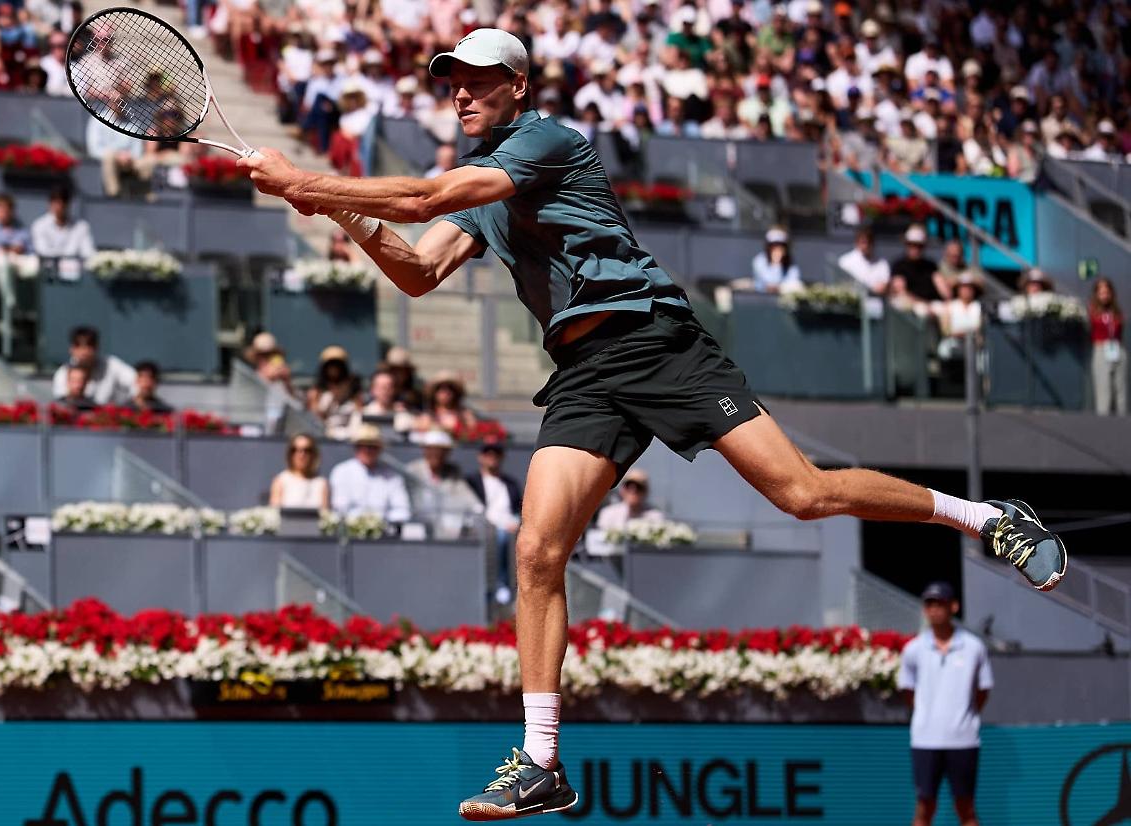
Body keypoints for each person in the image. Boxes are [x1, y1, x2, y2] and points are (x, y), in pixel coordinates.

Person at [238, 28, 1066, 819]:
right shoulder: (486, 186)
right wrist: (342, 214)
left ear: (517, 87)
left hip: (656, 340)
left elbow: (424, 196)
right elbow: (419, 269)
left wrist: (306, 182)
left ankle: (987, 517)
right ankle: (542, 763)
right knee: (535, 549)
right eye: (449, 79)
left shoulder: (544, 141)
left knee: (803, 495)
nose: (457, 90)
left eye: (474, 77)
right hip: (586, 372)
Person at [897, 582, 993, 826]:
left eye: (939, 604)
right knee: (924, 807)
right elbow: (907, 690)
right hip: (925, 740)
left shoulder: (974, 648)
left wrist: (963, 718)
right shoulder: (913, 649)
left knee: (966, 808)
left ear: (953, 606)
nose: (934, 610)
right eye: (929, 604)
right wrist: (927, 716)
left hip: (963, 740)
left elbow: (983, 690)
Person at [467, 438, 522, 605]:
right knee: (499, 536)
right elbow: (472, 508)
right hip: (483, 526)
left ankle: (512, 586)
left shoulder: (511, 484)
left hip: (510, 526)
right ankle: (498, 583)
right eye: (488, 453)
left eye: (496, 454)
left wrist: (515, 522)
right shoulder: (471, 481)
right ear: (480, 457)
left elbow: (518, 509)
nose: (492, 457)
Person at [328, 424, 412, 523]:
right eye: (362, 446)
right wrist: (362, 523)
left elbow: (402, 509)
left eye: (372, 446)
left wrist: (380, 522)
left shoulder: (392, 477)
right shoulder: (341, 472)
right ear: (356, 448)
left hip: (385, 534)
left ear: (379, 449)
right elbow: (339, 507)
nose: (367, 450)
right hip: (348, 533)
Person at [407, 428, 481, 527]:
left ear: (447, 453)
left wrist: (479, 510)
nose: (435, 454)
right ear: (425, 451)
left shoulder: (453, 472)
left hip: (446, 527)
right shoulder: (412, 470)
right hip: (417, 524)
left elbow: (468, 497)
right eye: (431, 449)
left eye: (440, 451)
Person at [50, 325, 136, 405]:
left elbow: (136, 382)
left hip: (108, 419)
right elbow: (61, 404)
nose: (84, 351)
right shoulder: (63, 373)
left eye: (89, 345)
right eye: (78, 345)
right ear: (72, 349)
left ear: (97, 347)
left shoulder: (112, 365)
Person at [1090, 278, 1126, 416]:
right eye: (1101, 292)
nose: (1104, 295)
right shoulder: (1093, 311)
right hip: (1101, 349)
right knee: (1103, 388)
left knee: (1120, 388)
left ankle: (1123, 421)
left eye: (1107, 292)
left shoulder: (1116, 312)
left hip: (1117, 349)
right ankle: (1103, 421)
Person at [308, 345, 361, 436]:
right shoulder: (317, 391)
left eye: (337, 364)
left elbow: (359, 412)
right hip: (324, 434)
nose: (333, 369)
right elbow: (313, 418)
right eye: (330, 364)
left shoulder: (353, 390)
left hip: (348, 434)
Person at [31, 187, 96, 260]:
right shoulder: (39, 225)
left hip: (74, 269)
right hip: (48, 269)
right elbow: (42, 252)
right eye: (56, 203)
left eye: (62, 203)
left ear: (68, 204)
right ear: (50, 204)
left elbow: (88, 252)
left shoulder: (81, 226)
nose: (59, 207)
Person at [891, 224, 949, 306]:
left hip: (931, 305)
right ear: (906, 245)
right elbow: (901, 292)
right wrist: (924, 304)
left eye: (919, 246)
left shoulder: (931, 266)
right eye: (912, 245)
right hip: (911, 306)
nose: (915, 249)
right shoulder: (899, 266)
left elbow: (945, 292)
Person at [269, 433, 330, 510]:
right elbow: (275, 512)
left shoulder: (321, 483)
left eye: (307, 450)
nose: (301, 455)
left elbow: (324, 514)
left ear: (314, 454)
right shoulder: (281, 480)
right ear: (290, 454)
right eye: (295, 450)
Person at [595, 468, 663, 532]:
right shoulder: (608, 513)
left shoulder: (655, 516)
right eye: (628, 485)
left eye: (638, 486)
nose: (633, 490)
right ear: (622, 489)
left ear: (645, 491)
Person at [416, 370, 478, 436]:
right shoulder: (427, 415)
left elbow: (472, 431)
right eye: (440, 388)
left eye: (450, 388)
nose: (446, 392)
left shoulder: (464, 414)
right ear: (434, 392)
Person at [838, 226, 890, 295]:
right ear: (857, 242)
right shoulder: (845, 261)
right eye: (863, 242)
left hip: (875, 302)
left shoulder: (882, 263)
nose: (866, 246)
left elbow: (883, 285)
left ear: (873, 243)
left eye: (869, 242)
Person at [751, 226, 802, 294]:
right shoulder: (759, 261)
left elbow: (794, 282)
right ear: (768, 247)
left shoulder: (790, 263)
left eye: (781, 246)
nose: (777, 249)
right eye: (773, 245)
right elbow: (767, 283)